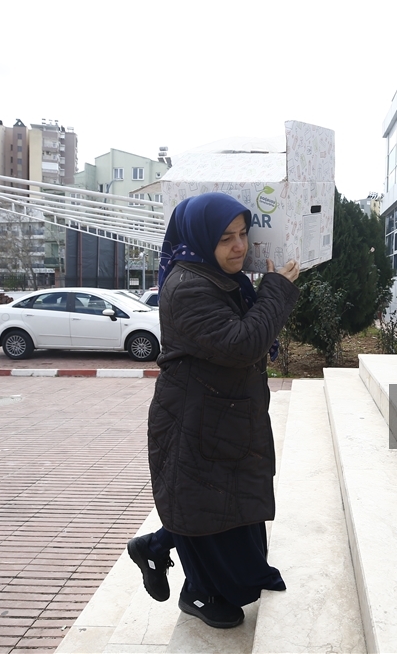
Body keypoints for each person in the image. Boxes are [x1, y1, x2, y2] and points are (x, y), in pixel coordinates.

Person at [126, 192, 300, 629]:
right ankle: (198, 593)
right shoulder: (188, 287)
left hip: (220, 415)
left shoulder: (219, 277)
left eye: (243, 234)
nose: (239, 246)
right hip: (194, 420)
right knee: (212, 512)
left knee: (227, 509)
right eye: (226, 238)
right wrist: (277, 291)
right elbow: (243, 342)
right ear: (202, 239)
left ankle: (156, 546)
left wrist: (269, 292)